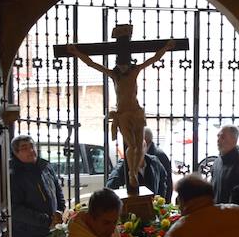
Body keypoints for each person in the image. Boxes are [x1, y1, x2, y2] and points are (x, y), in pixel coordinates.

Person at [66, 33, 174, 194]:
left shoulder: (134, 71)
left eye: (125, 64)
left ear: (129, 64)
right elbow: (92, 64)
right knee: (131, 146)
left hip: (136, 113)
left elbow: (152, 59)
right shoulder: (114, 75)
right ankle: (132, 173)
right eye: (121, 65)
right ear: (117, 65)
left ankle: (133, 171)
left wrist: (165, 48)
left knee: (138, 146)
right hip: (123, 115)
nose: (123, 67)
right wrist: (76, 53)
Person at [211, 125, 239, 203]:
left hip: (235, 213)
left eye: (223, 137)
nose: (218, 140)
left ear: (234, 140)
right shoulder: (216, 163)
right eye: (218, 136)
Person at [144, 126, 173, 201]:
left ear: (145, 140)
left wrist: (165, 202)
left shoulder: (158, 155)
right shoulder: (152, 152)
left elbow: (167, 181)